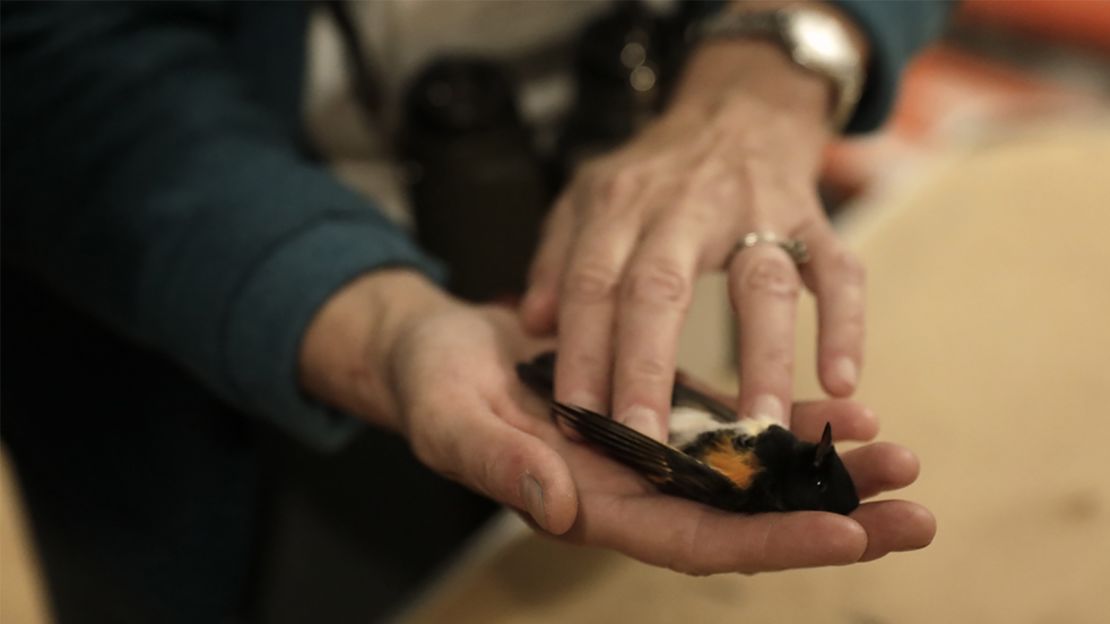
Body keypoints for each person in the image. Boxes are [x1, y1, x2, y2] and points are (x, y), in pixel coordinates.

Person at [1, 1, 949, 622]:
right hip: (201, 349)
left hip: (682, 261)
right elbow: (53, 56)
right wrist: (365, 320)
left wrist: (786, 54)